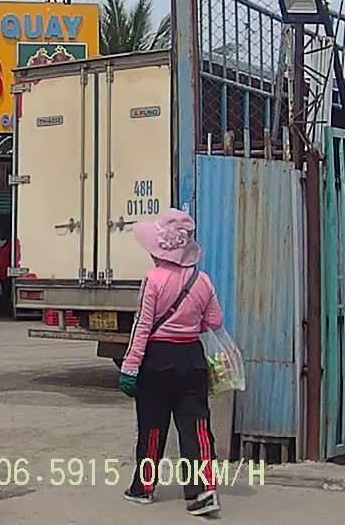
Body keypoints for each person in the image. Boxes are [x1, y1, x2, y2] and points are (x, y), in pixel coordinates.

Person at [118, 208, 223, 515]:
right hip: (192, 359)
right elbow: (215, 321)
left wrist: (129, 368)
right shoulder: (202, 280)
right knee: (197, 426)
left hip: (157, 360)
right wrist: (189, 322)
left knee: (152, 425)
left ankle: (143, 488)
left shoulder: (153, 280)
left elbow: (142, 326)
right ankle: (203, 491)